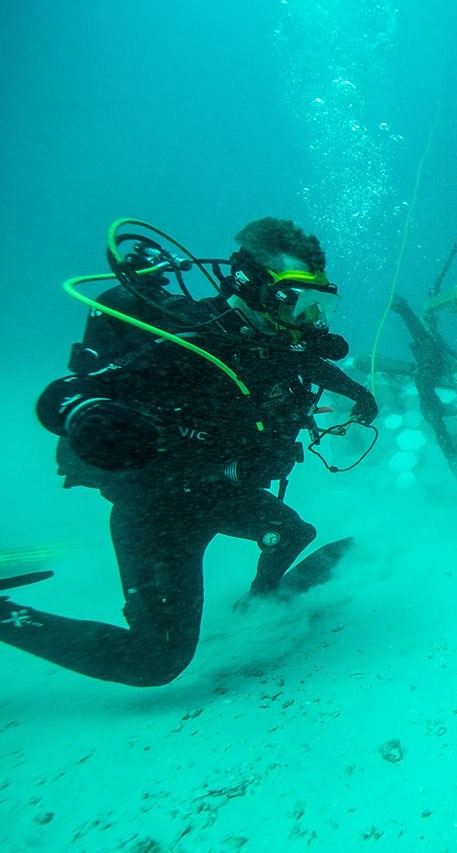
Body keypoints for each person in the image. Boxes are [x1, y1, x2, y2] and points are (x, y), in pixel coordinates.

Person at [0, 217, 377, 687]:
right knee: (157, 659)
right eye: (297, 301)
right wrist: (88, 413)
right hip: (159, 511)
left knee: (293, 532)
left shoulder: (275, 341)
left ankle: (261, 599)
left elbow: (307, 363)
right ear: (253, 287)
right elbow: (67, 392)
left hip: (217, 494)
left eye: (320, 305)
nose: (309, 320)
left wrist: (357, 394)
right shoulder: (186, 336)